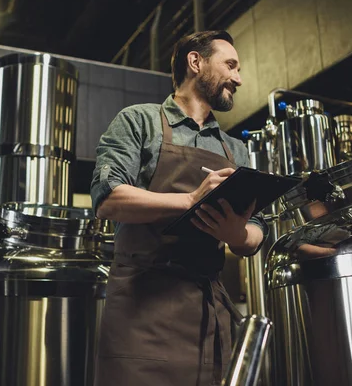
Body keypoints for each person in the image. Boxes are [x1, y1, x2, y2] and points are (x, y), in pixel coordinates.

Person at [90, 30, 268, 386]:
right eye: (230, 65)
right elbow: (108, 198)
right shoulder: (138, 121)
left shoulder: (236, 149)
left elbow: (255, 232)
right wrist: (189, 201)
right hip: (142, 309)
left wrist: (237, 233)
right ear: (195, 62)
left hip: (207, 316)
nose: (239, 78)